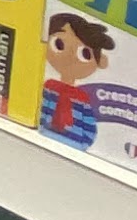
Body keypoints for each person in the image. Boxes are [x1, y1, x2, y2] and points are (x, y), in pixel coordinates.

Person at [39, 8, 110, 143]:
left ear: (101, 61)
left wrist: (82, 143)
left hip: (74, 143)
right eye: (59, 44)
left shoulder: (81, 97)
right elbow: (41, 111)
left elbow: (89, 126)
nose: (69, 56)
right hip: (43, 135)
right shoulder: (49, 87)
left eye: (85, 54)